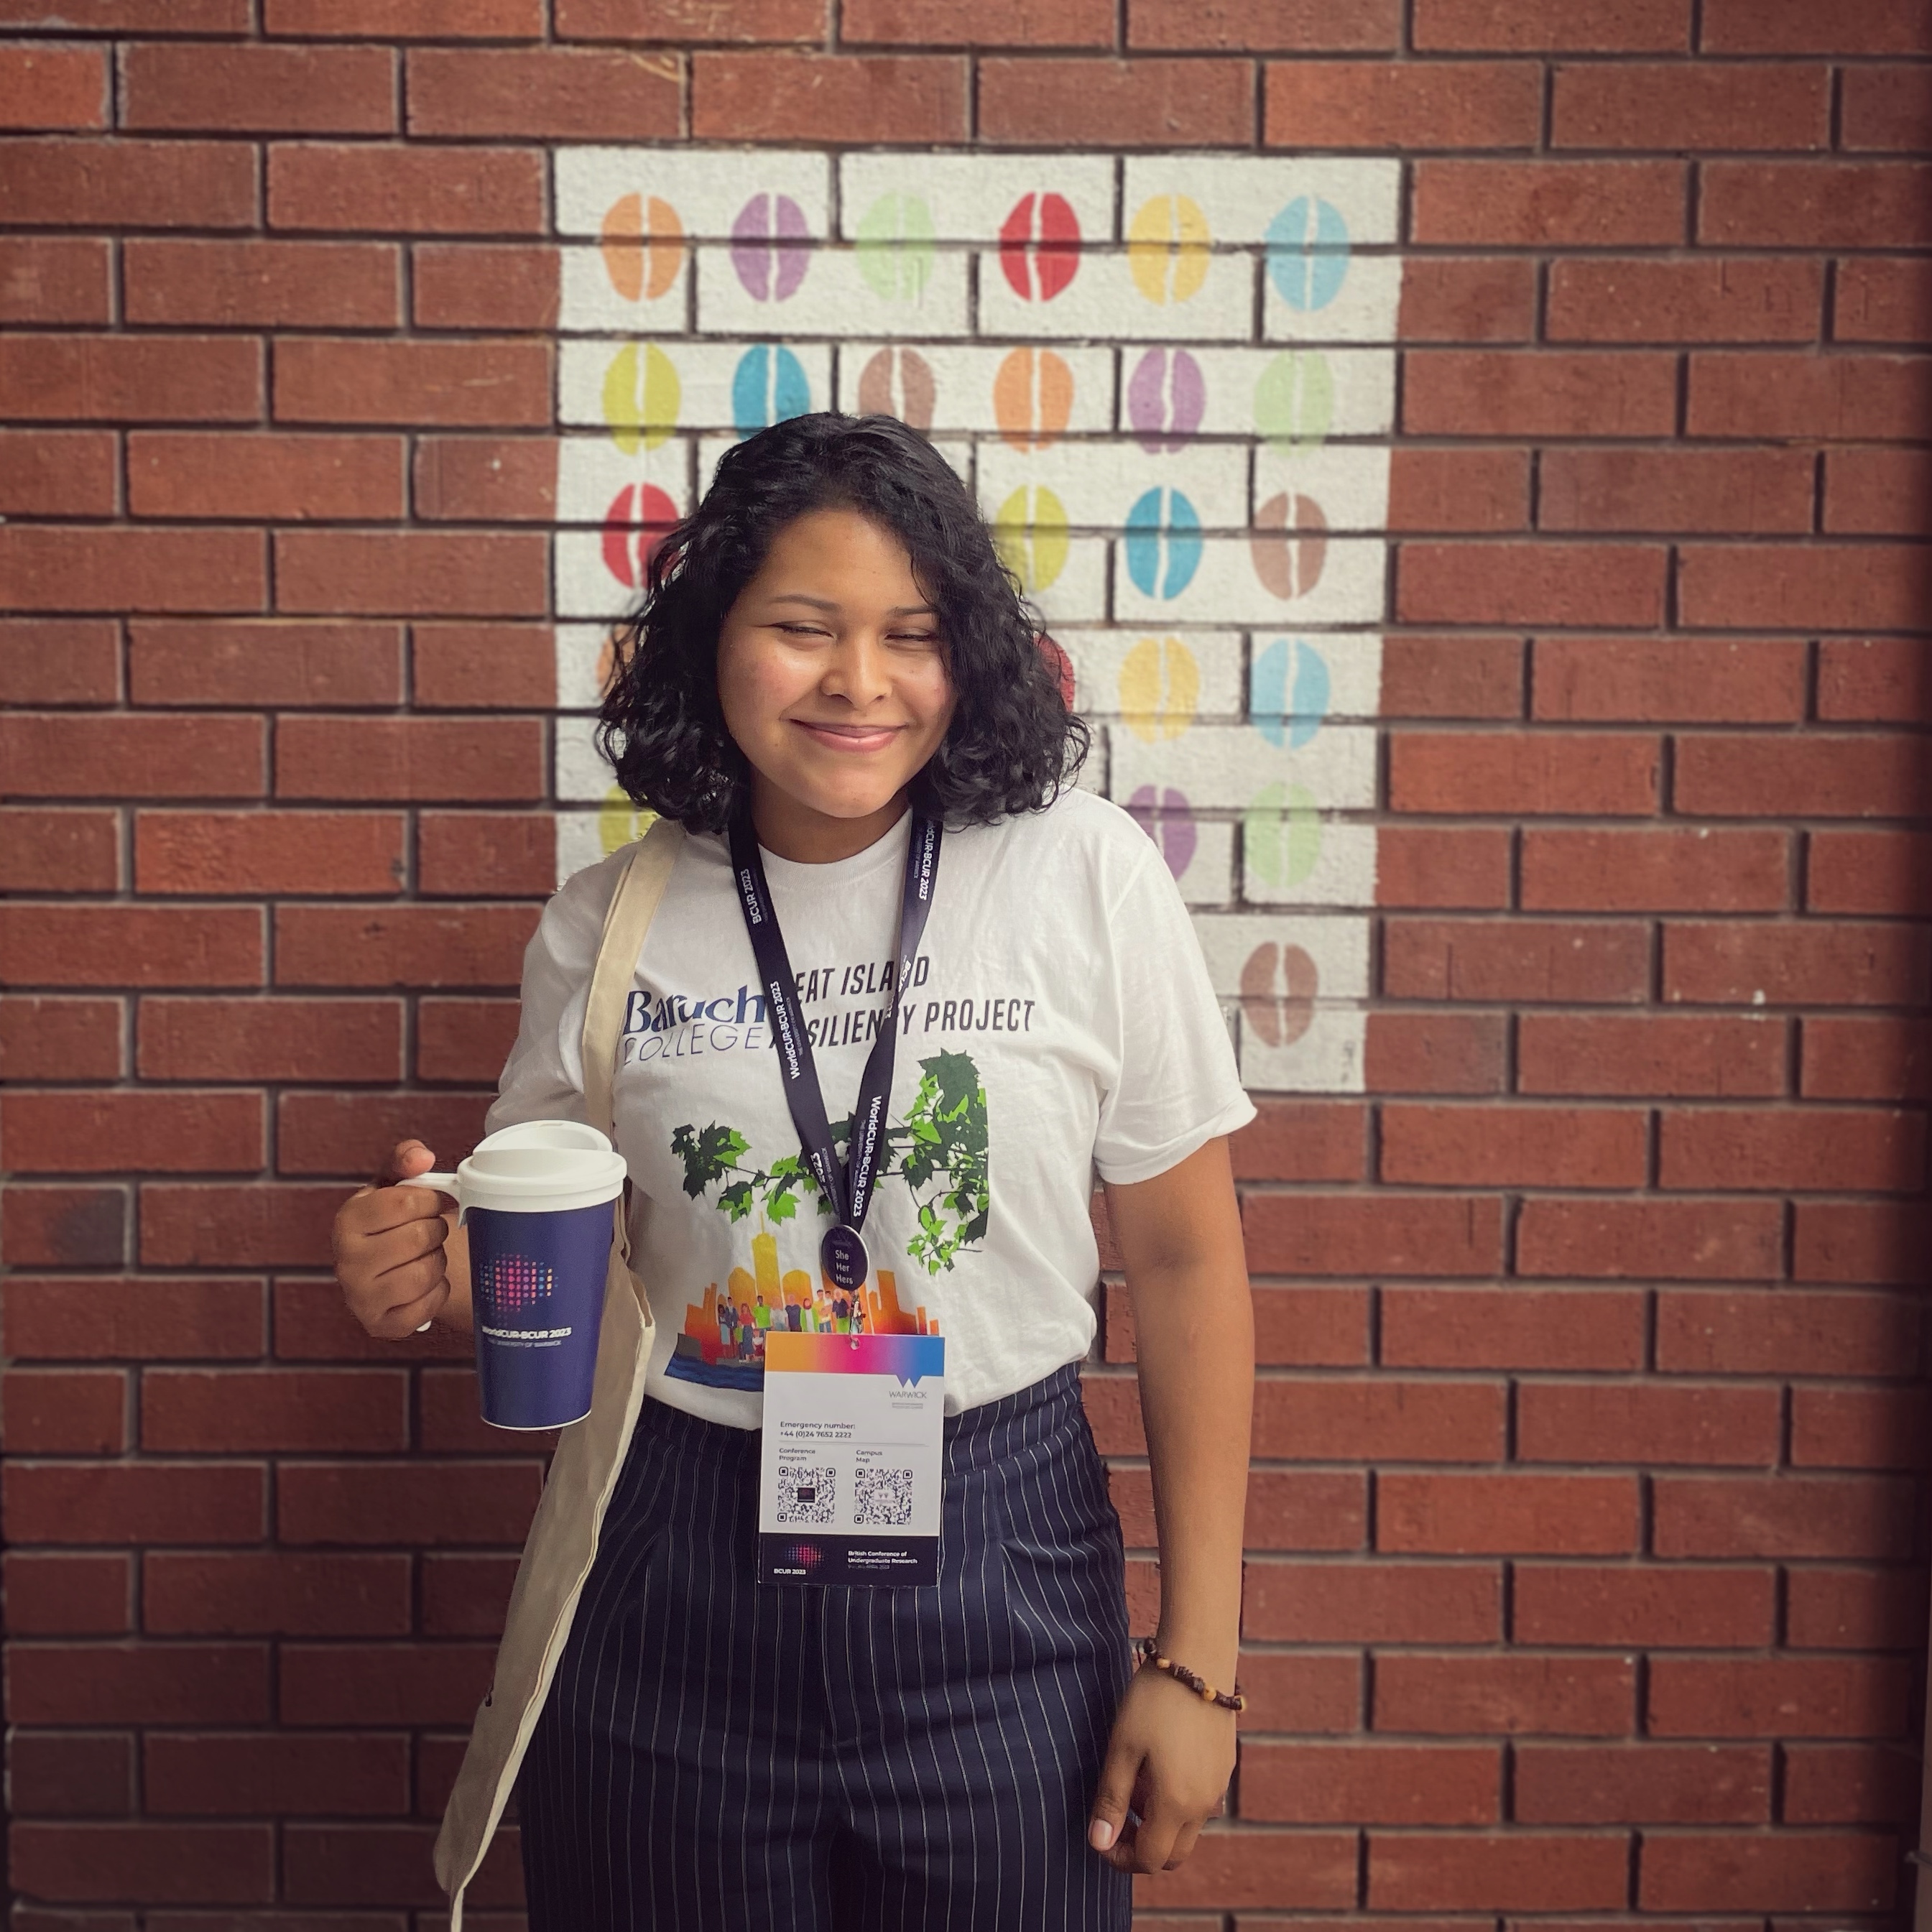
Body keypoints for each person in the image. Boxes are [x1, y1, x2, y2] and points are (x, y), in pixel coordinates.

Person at [331, 412, 1257, 1931]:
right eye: (802, 628)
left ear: (969, 654)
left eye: (912, 633)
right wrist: (431, 1271)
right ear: (712, 640)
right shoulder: (609, 922)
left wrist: (1198, 1659)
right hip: (671, 1570)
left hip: (1005, 1562)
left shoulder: (1081, 872)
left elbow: (1184, 1261)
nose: (859, 681)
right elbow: (540, 1245)